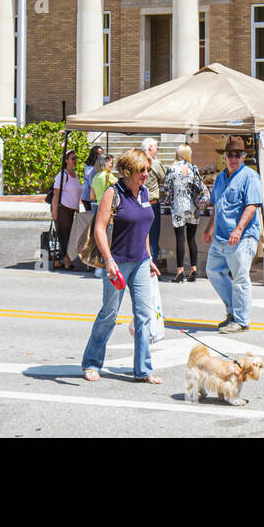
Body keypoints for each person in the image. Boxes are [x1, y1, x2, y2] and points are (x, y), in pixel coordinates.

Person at [81, 149, 162, 384]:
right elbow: (99, 228)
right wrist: (108, 261)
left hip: (140, 262)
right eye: (142, 170)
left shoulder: (145, 192)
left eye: (147, 169)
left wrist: (149, 258)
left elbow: (144, 228)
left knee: (144, 316)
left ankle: (143, 369)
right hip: (117, 262)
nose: (146, 174)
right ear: (128, 171)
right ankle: (91, 363)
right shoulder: (113, 192)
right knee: (109, 314)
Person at [203, 136, 263, 333]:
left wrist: (238, 229)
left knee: (240, 277)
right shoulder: (221, 177)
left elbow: (252, 206)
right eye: (230, 155)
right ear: (225, 157)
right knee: (212, 270)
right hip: (221, 237)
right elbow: (217, 206)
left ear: (243, 157)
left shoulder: (250, 176)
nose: (234, 158)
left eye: (238, 155)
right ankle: (232, 311)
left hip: (242, 237)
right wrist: (209, 228)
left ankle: (241, 320)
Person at [163, 143, 209, 283]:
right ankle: (194, 268)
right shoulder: (193, 168)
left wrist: (171, 196)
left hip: (178, 206)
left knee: (180, 239)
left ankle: (180, 271)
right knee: (191, 238)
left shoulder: (172, 169)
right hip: (192, 206)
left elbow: (167, 188)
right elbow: (200, 186)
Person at [51, 150, 83, 270]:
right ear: (66, 160)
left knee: (70, 234)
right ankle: (66, 260)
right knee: (65, 234)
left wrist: (78, 208)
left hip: (72, 209)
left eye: (75, 159)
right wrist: (54, 211)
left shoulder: (75, 174)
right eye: (72, 158)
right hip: (63, 208)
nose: (75, 161)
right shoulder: (62, 175)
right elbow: (56, 193)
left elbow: (76, 194)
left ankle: (62, 259)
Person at [142, 138, 167, 268]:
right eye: (156, 148)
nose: (157, 150)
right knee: (152, 237)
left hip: (138, 202)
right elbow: (165, 179)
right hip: (151, 203)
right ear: (150, 148)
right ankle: (152, 266)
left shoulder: (137, 160)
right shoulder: (155, 163)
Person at [80, 145, 105, 212]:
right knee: (92, 217)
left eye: (102, 154)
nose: (101, 156)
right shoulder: (93, 168)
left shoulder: (89, 165)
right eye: (99, 154)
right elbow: (92, 183)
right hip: (89, 196)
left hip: (87, 195)